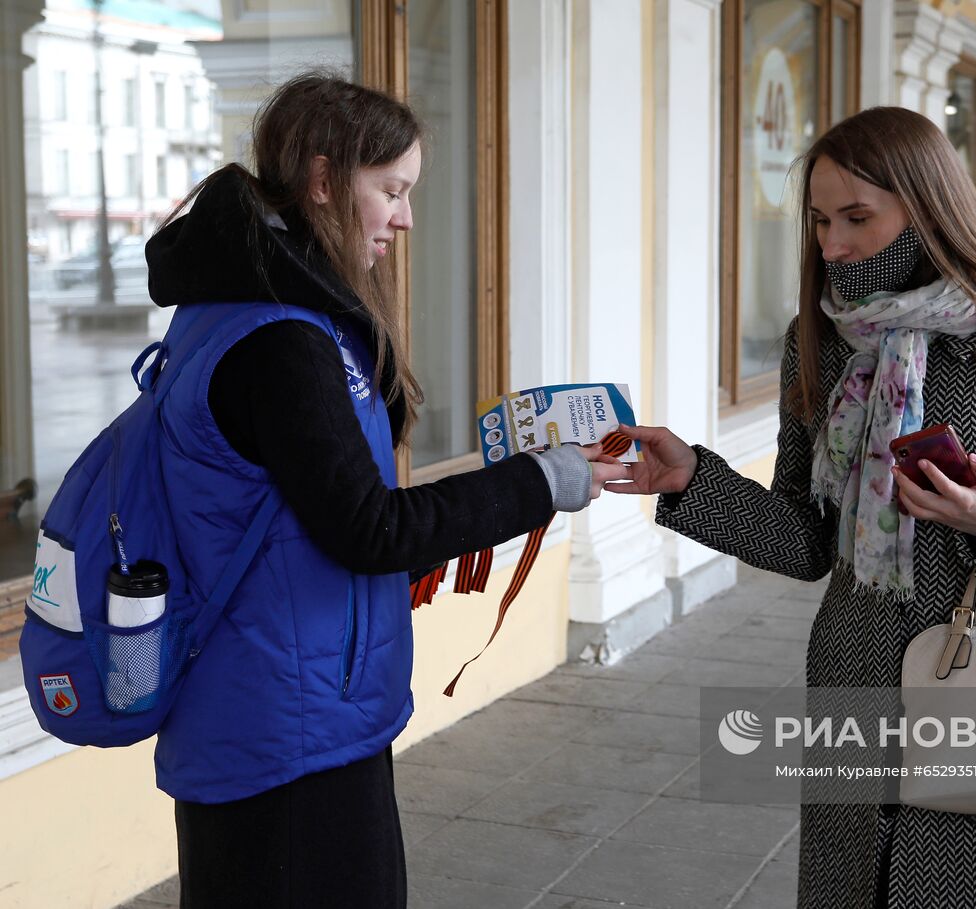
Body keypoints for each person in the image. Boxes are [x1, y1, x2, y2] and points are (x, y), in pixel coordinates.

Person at [605, 107, 976, 909]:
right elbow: (807, 540)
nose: (832, 245)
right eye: (818, 220)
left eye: (857, 217)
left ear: (926, 208)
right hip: (857, 686)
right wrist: (692, 483)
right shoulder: (816, 341)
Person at [141, 73, 628, 908]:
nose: (404, 217)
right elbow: (368, 527)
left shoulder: (242, 310)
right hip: (288, 735)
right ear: (325, 181)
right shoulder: (281, 339)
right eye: (391, 190)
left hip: (279, 704)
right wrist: (546, 478)